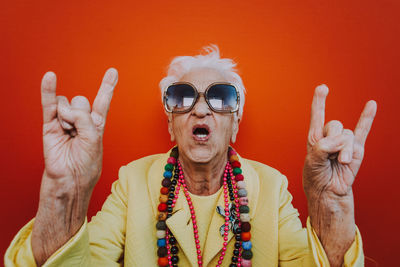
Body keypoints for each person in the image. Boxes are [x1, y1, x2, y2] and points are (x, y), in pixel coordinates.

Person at [5, 46, 377, 267]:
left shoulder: (270, 185)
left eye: (221, 97)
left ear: (235, 122)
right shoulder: (133, 181)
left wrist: (333, 206)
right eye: (183, 97)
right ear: (171, 123)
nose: (200, 110)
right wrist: (63, 191)